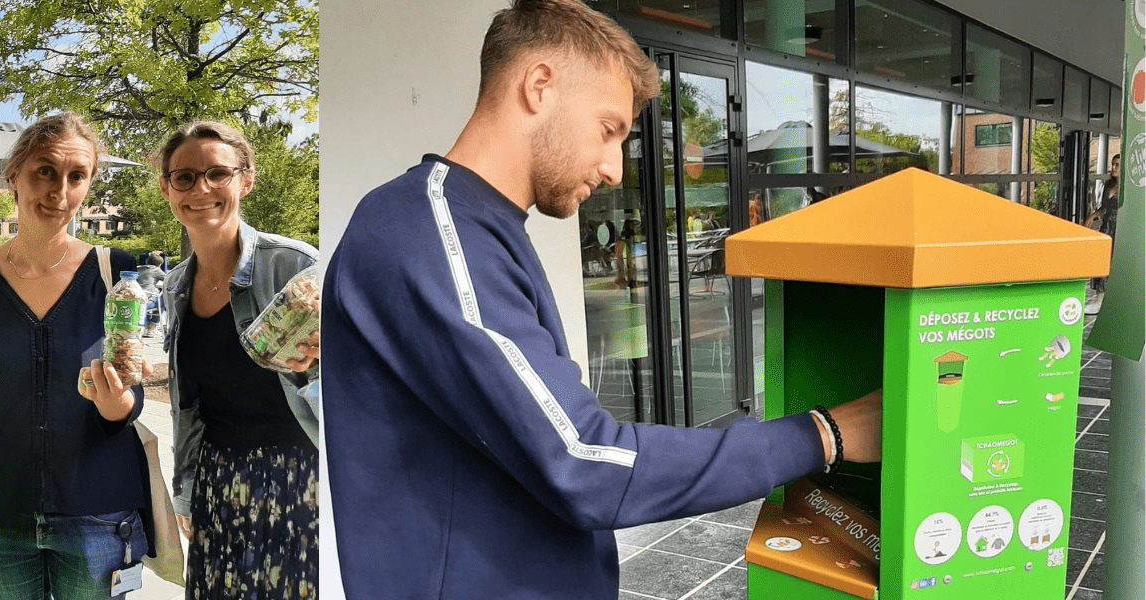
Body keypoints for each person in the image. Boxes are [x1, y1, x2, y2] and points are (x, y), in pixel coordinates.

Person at [320, 1, 885, 598]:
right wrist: (824, 433)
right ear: (539, 86)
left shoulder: (480, 228)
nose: (617, 168)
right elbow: (583, 460)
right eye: (609, 128)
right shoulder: (427, 231)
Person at [0, 112, 153, 600]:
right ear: (14, 175)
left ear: (89, 186)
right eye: (45, 171)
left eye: (77, 176)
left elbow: (130, 389)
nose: (59, 191)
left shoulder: (116, 274)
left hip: (98, 511)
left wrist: (120, 405)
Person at [152, 120, 323, 599]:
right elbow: (192, 406)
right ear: (167, 188)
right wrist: (187, 490)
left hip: (298, 481)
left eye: (217, 173)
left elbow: (353, 389)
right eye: (183, 177)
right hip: (219, 481)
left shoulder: (294, 266)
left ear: (245, 179)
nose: (200, 188)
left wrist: (311, 367)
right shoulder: (175, 286)